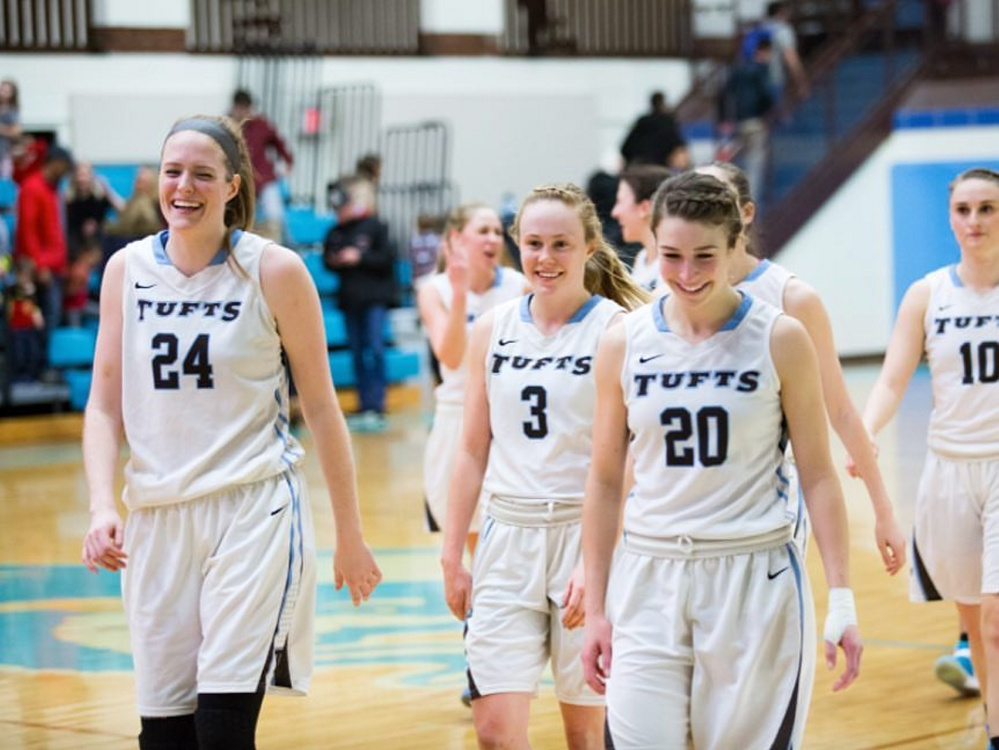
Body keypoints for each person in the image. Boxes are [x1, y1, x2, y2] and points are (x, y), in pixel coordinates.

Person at [80, 114, 382, 750]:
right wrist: (102, 504)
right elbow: (104, 406)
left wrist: (349, 535)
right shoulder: (125, 271)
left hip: (252, 507)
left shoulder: (273, 270)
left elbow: (323, 408)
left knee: (221, 731)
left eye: (202, 175)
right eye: (172, 172)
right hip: (156, 516)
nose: (183, 187)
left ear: (233, 186)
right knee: (165, 736)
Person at [581, 171, 862, 748]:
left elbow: (818, 476)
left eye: (705, 256)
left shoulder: (780, 337)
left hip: (752, 577)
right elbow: (606, 479)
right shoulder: (624, 341)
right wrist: (596, 606)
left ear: (737, 245)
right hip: (648, 576)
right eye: (672, 256)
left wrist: (842, 596)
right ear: (652, 245)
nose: (687, 275)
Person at [442, 183, 647, 749]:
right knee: (493, 731)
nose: (545, 258)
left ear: (588, 247)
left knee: (585, 733)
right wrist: (453, 549)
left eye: (561, 244)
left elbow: (631, 457)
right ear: (517, 245)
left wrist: (594, 558)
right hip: (507, 537)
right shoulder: (493, 327)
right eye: (533, 243)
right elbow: (471, 448)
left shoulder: (616, 329)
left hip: (585, 539)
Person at [697, 161, 905, 574]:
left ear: (747, 213)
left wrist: (883, 510)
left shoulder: (791, 297)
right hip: (691, 498)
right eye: (697, 202)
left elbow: (842, 410)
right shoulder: (667, 298)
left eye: (718, 201)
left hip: (768, 497)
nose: (706, 212)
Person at [857, 168, 999, 744]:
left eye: (987, 208)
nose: (974, 221)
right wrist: (866, 430)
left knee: (994, 619)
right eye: (963, 209)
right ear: (950, 216)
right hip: (948, 471)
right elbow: (892, 381)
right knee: (972, 620)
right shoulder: (927, 294)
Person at [417, 202, 526, 708]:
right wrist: (460, 291)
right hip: (455, 422)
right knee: (473, 553)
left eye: (496, 230)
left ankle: (488, 667)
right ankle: (481, 665)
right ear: (454, 240)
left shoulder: (520, 285)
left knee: (494, 554)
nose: (492, 237)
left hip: (504, 422)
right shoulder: (433, 290)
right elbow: (452, 356)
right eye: (480, 229)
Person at [323, 175, 396, 432]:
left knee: (375, 349)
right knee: (356, 353)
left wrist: (360, 257)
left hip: (374, 300)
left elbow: (387, 258)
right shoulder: (335, 232)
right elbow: (326, 260)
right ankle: (364, 404)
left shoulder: (375, 226)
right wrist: (337, 259)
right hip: (349, 301)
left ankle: (378, 403)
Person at [14, 144, 73, 336]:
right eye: (64, 167)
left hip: (55, 265)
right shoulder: (32, 188)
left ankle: (45, 361)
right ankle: (38, 364)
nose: (66, 172)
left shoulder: (54, 190)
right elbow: (27, 231)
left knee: (52, 316)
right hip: (42, 268)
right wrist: (40, 265)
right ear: (55, 164)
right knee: (40, 318)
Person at [229, 90, 293, 243]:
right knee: (236, 214)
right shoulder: (227, 125)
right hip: (238, 179)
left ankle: (276, 246)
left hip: (264, 178)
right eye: (240, 108)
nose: (243, 113)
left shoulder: (261, 124)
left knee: (274, 213)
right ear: (234, 107)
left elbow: (279, 143)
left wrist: (288, 162)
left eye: (246, 108)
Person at [718, 38, 776, 201]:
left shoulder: (737, 70)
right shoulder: (761, 70)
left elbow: (723, 94)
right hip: (756, 120)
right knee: (755, 162)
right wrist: (767, 112)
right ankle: (750, 200)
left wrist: (724, 118)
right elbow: (766, 94)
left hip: (738, 120)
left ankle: (733, 194)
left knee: (738, 160)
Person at [611, 164, 671, 291]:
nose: (614, 212)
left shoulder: (671, 266)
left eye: (620, 201)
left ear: (645, 208)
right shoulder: (641, 258)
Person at [66, 160, 124, 258]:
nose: (82, 179)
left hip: (100, 241)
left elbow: (122, 210)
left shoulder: (100, 194)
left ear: (92, 176)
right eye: (79, 175)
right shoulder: (70, 198)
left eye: (85, 175)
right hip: (77, 244)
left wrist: (107, 190)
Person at [620, 92, 690, 171]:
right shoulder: (668, 122)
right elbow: (678, 146)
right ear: (663, 103)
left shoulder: (642, 121)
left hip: (639, 168)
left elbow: (625, 148)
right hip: (660, 169)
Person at [0, 79, 21, 179]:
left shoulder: (12, 110)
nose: (3, 93)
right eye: (2, 89)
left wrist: (2, 129)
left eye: (6, 91)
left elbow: (16, 131)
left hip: (3, 152)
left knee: (4, 180)